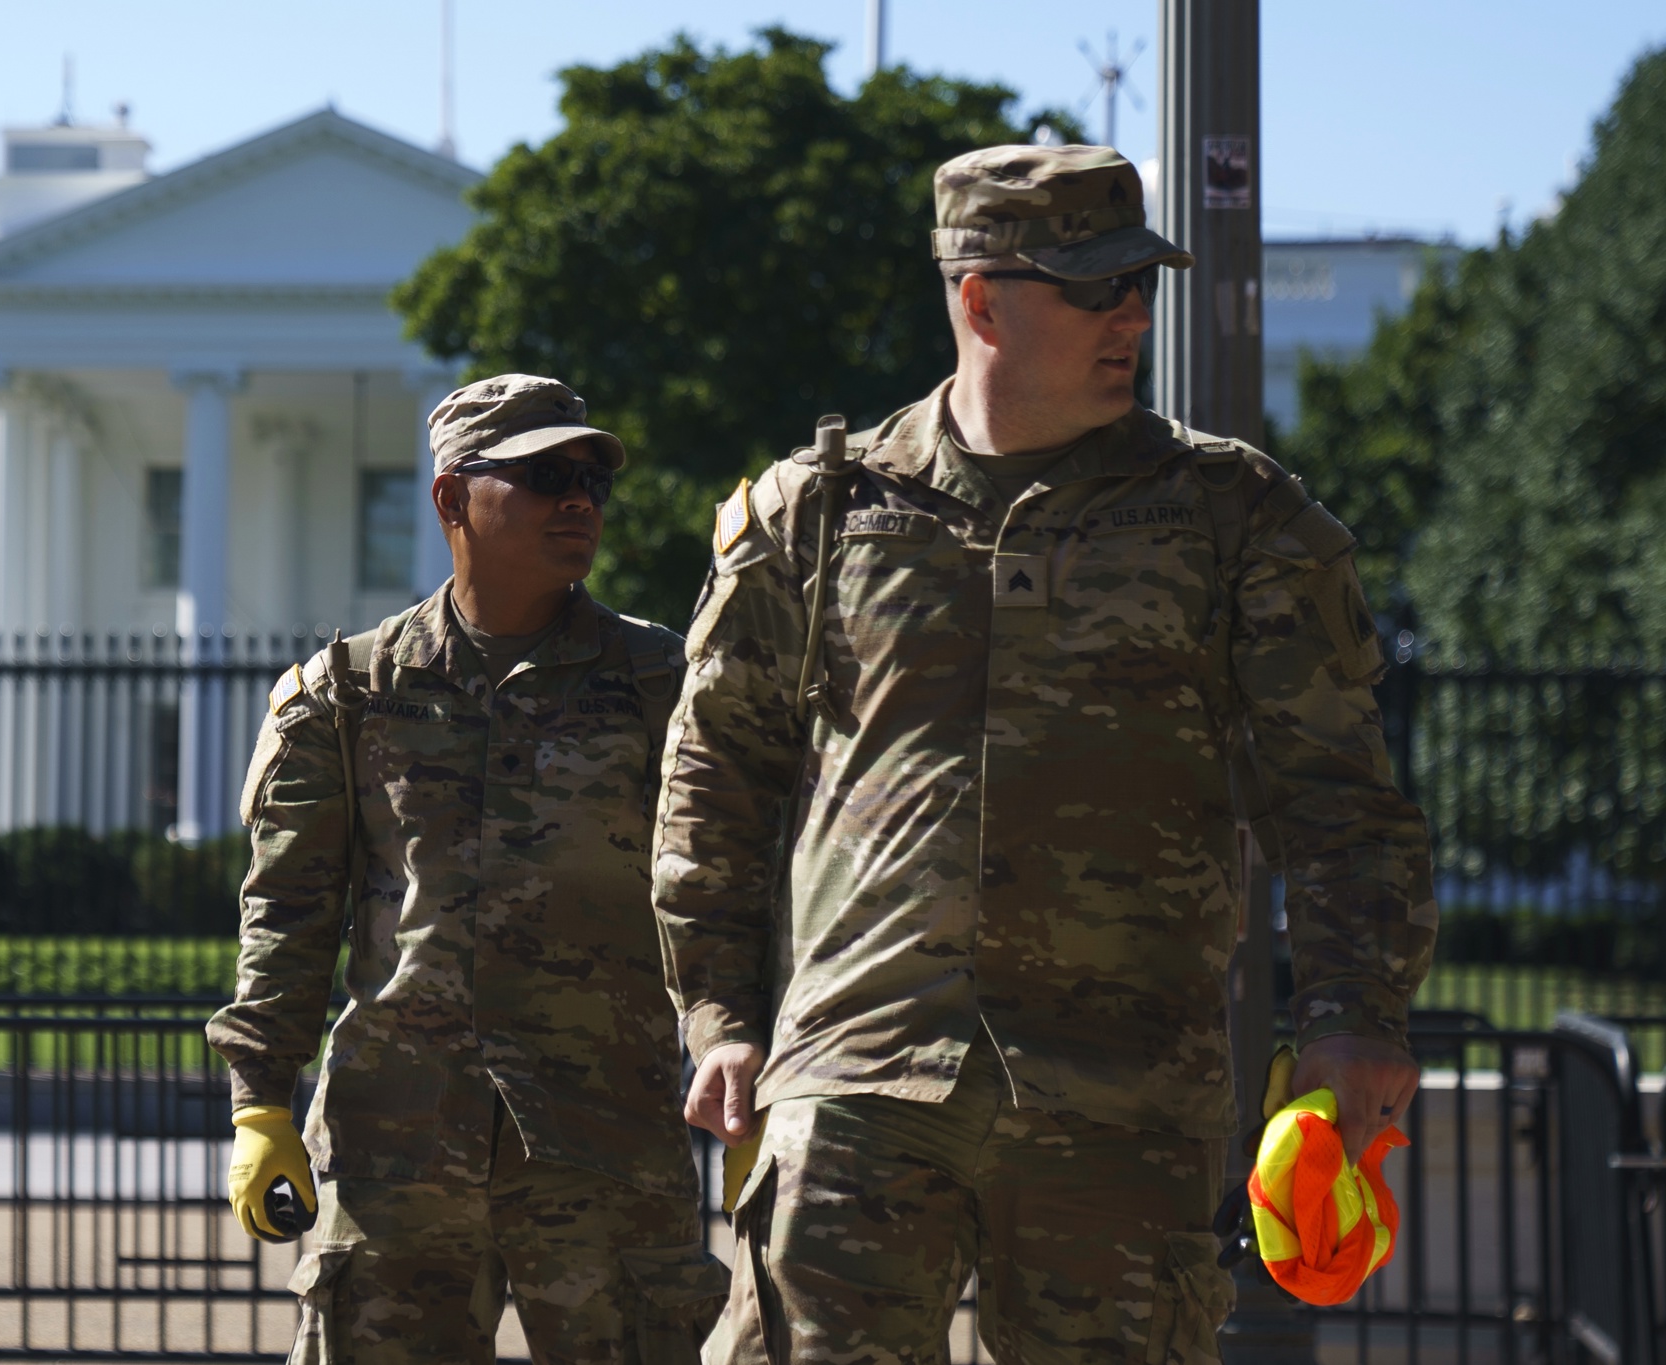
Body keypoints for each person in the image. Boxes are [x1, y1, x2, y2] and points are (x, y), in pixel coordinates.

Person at [651, 145, 1437, 1365]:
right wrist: (717, 1013)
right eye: (1089, 286)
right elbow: (716, 777)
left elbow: (1336, 800)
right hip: (859, 1071)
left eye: (1140, 283)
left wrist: (1350, 1012)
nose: (1128, 313)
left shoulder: (1234, 520)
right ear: (978, 299)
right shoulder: (819, 512)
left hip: (1122, 1094)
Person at [209, 374, 727, 1364]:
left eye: (589, 479)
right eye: (542, 476)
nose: (577, 500)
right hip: (396, 1155)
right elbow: (287, 911)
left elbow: (722, 894)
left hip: (605, 1150)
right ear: (452, 498)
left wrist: (745, 1058)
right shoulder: (347, 694)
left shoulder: (663, 685)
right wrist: (260, 1104)